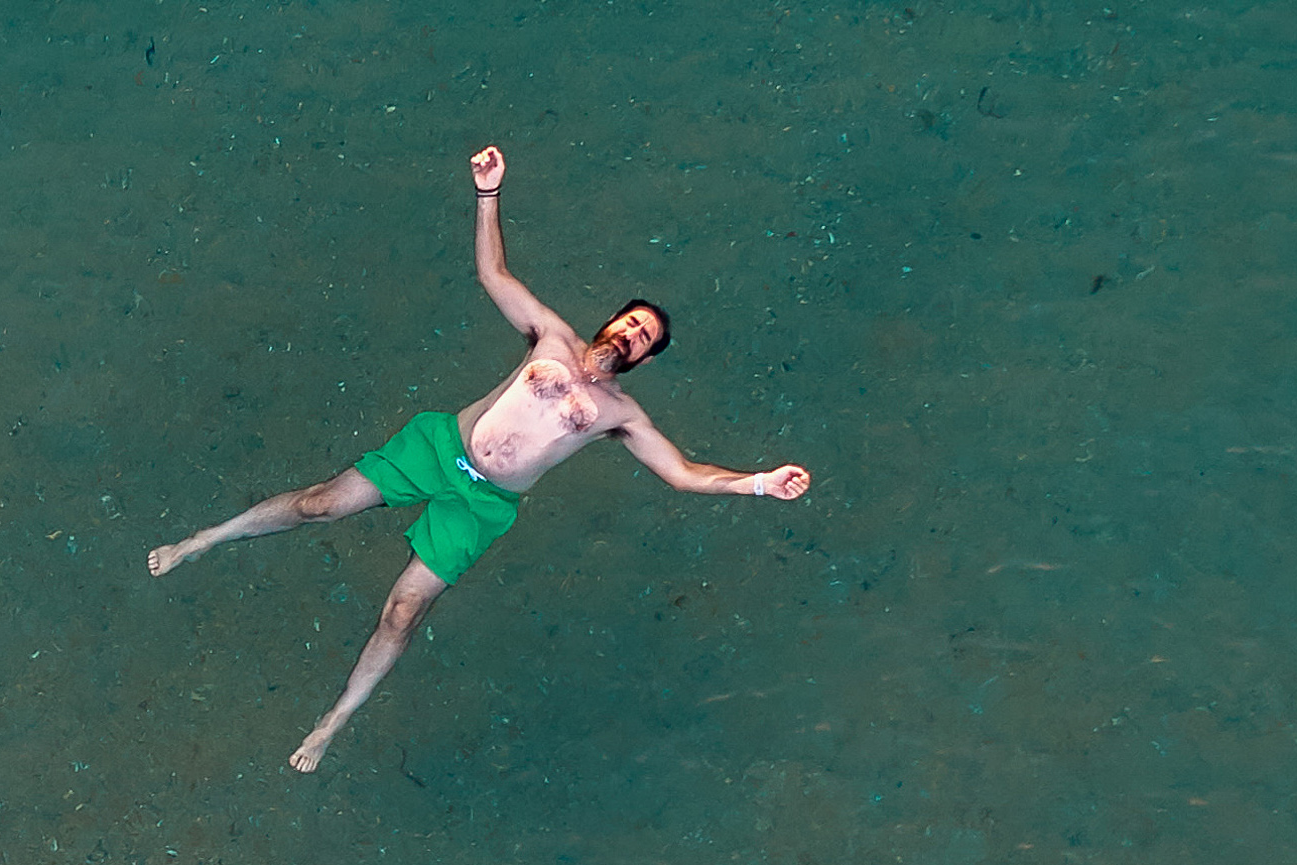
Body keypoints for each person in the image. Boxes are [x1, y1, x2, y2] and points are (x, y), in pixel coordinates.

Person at [147, 145, 812, 773]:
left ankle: (333, 721)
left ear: (645, 358)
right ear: (612, 322)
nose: (632, 333)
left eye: (644, 337)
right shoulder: (549, 335)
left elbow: (683, 474)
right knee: (321, 504)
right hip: (437, 449)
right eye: (631, 322)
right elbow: (494, 274)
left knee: (404, 612)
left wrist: (758, 483)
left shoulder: (621, 416)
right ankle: (206, 539)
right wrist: (488, 192)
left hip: (484, 505)